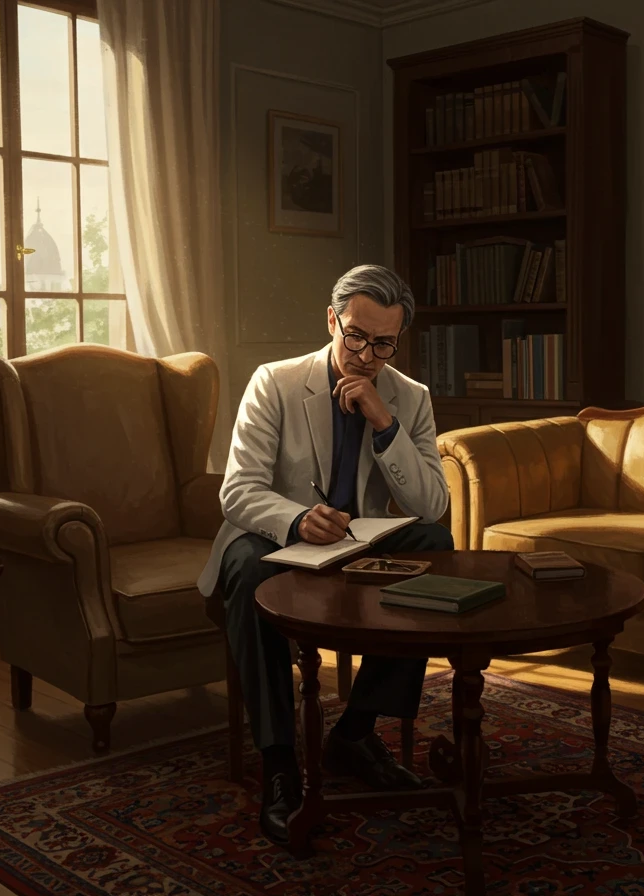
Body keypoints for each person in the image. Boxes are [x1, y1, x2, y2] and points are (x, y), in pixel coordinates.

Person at [196, 264, 454, 844]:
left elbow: (431, 504)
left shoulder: (408, 397)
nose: (366, 354)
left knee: (436, 546)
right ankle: (281, 761)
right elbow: (238, 491)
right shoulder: (275, 382)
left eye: (383, 343)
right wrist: (295, 520)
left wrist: (384, 423)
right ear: (332, 320)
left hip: (358, 541)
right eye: (356, 336)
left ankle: (354, 733)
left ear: (397, 340)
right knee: (245, 568)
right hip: (275, 537)